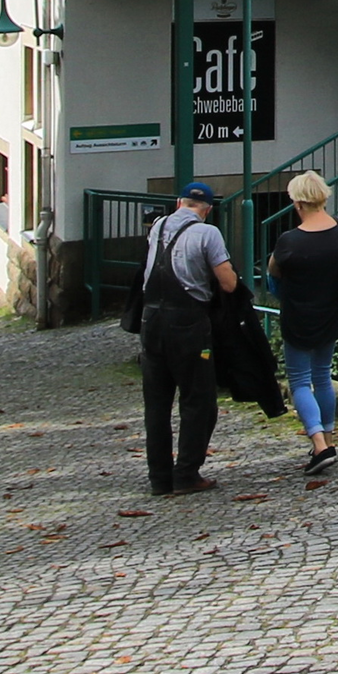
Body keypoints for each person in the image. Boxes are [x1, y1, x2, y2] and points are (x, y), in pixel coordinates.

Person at [140, 181, 238, 496]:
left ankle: (159, 478)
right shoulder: (208, 233)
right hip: (188, 324)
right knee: (198, 401)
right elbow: (228, 284)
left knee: (157, 404)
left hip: (151, 321)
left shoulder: (158, 226)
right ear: (207, 210)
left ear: (179, 203)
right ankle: (186, 474)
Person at [266, 170, 338, 475]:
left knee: (300, 380)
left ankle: (319, 444)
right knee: (323, 375)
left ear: (297, 203)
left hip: (299, 318)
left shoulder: (290, 241)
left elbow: (274, 270)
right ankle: (328, 435)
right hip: (332, 314)